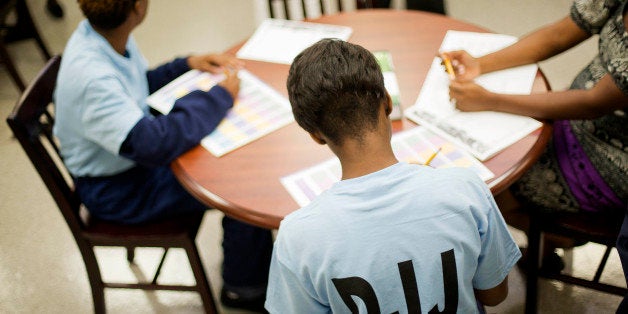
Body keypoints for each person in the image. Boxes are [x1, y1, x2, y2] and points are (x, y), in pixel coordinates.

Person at [264, 38, 521, 313]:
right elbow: (494, 294)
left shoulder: (297, 238)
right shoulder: (465, 189)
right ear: (387, 102)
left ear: (315, 135)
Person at [53, 0, 272, 311]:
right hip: (120, 190)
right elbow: (154, 144)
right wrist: (218, 97)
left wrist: (185, 64)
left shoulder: (100, 35)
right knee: (242, 183)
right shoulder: (92, 78)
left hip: (127, 163)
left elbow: (135, 85)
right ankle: (244, 288)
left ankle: (249, 267)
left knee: (237, 160)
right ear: (139, 8)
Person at [442, 0, 627, 274]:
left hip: (613, 154)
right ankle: (544, 241)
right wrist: (479, 64)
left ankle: (556, 237)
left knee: (493, 184)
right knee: (499, 153)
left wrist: (490, 100)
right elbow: (559, 34)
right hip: (576, 110)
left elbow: (593, 103)